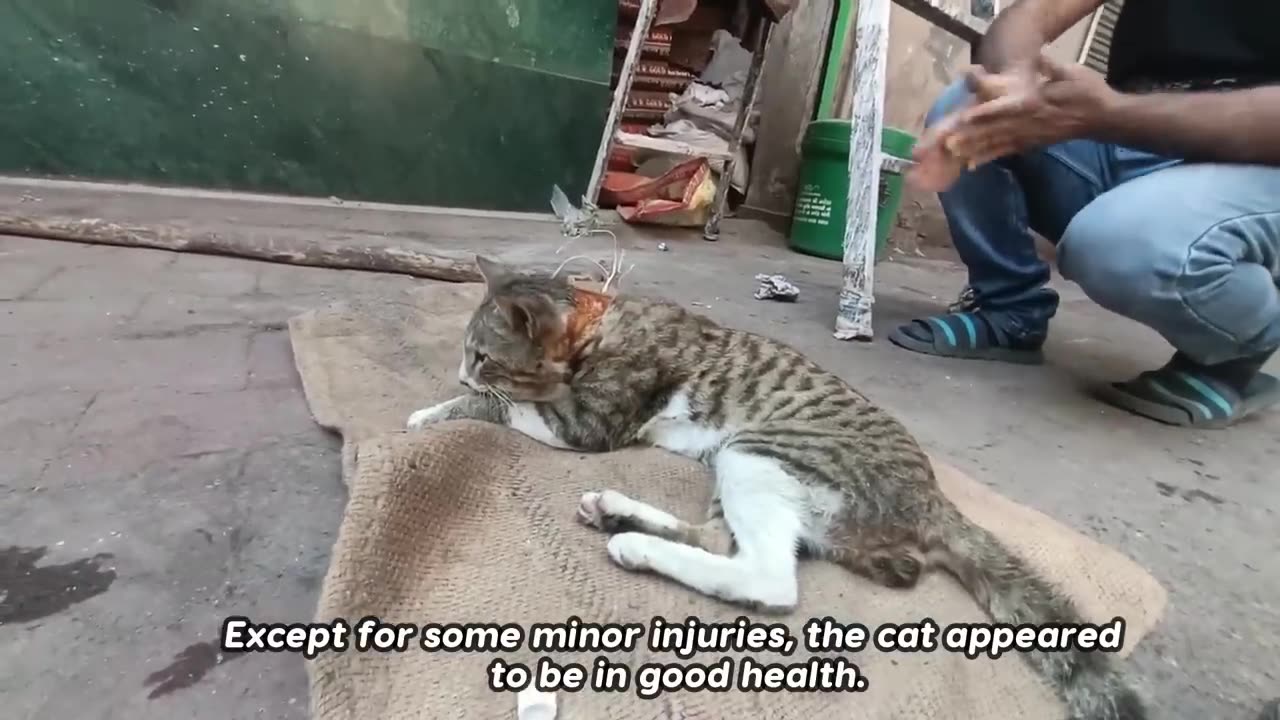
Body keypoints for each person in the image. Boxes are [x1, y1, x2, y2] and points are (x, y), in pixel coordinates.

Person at [895, 0, 1280, 428]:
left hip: (1257, 159)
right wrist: (1011, 83)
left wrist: (1111, 114)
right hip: (1133, 125)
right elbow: (1027, 17)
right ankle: (1010, 311)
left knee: (1122, 244)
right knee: (970, 110)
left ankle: (1241, 348)